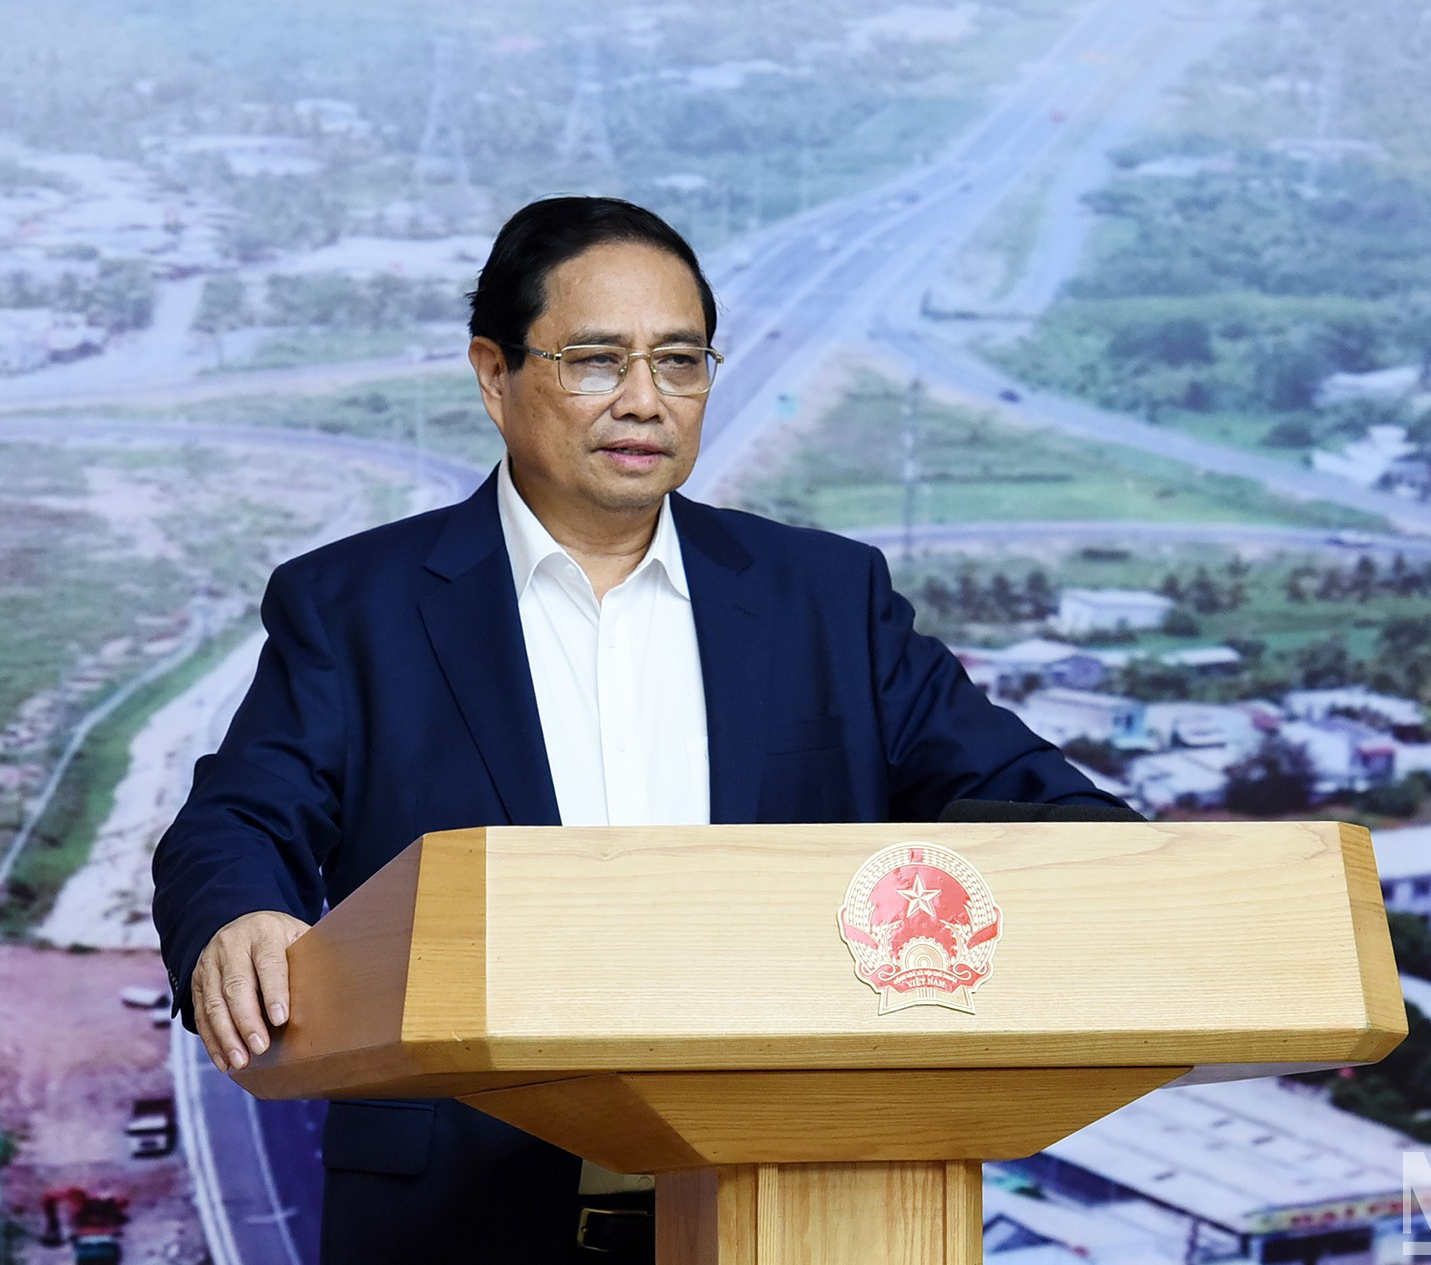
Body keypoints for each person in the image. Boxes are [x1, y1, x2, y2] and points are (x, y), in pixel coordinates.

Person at [152, 195, 1128, 1264]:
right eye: (594, 361)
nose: (644, 400)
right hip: (463, 1222)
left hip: (796, 1208)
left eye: (679, 361)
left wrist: (1136, 885)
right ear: (494, 374)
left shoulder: (824, 598)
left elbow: (1045, 810)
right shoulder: (356, 605)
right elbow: (236, 820)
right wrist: (238, 913)